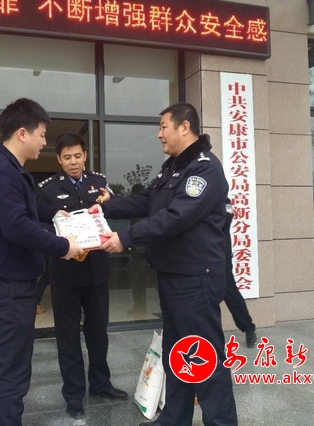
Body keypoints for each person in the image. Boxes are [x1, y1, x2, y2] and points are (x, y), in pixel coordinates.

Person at [96, 103, 238, 426]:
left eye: (163, 127)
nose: (159, 134)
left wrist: (125, 238)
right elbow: (148, 201)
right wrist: (106, 207)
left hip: (195, 279)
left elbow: (175, 217)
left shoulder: (204, 170)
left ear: (184, 127)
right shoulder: (173, 167)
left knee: (204, 357)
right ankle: (175, 418)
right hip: (173, 276)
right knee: (178, 353)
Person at [0, 98, 83, 426]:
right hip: (9, 289)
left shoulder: (10, 169)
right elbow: (17, 226)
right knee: (12, 375)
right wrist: (63, 246)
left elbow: (31, 207)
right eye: (42, 134)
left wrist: (57, 213)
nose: (44, 142)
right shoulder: (2, 172)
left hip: (4, 286)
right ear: (23, 133)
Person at [37, 133, 128, 419]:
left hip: (96, 272)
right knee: (67, 337)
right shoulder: (47, 189)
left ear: (85, 155)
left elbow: (112, 208)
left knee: (98, 332)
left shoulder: (98, 182)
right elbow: (37, 221)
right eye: (67, 157)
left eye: (77, 156)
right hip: (64, 273)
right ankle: (74, 394)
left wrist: (110, 201)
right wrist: (57, 225)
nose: (73, 162)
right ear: (59, 159)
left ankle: (101, 383)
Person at [223, 198, 257, 348]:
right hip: (199, 256)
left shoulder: (224, 201)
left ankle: (249, 329)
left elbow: (226, 219)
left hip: (221, 256)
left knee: (230, 293)